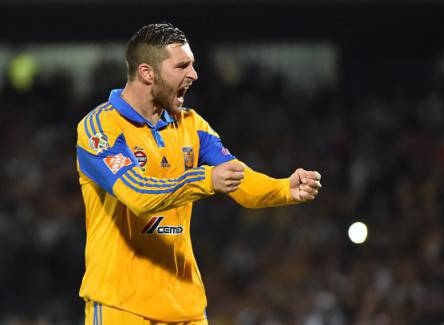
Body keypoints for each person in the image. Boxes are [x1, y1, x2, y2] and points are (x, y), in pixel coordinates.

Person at [76, 22, 322, 325]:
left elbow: (239, 179)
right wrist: (206, 179)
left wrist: (284, 188)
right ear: (147, 73)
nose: (194, 75)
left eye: (192, 65)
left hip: (187, 309)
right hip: (121, 307)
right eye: (182, 66)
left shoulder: (192, 124)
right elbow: (138, 195)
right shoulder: (99, 129)